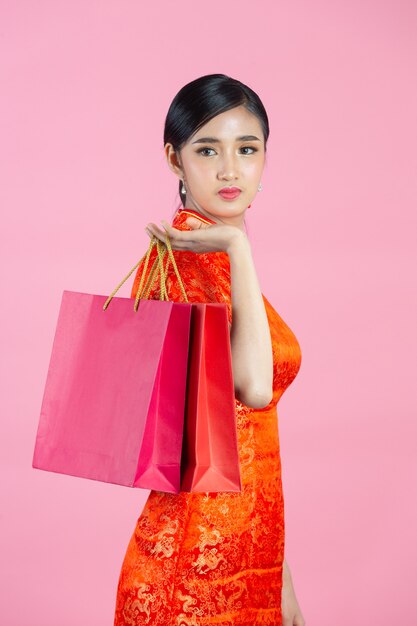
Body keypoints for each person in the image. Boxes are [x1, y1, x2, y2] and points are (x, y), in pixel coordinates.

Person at [113, 73, 305, 626]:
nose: (229, 169)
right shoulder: (177, 264)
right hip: (189, 575)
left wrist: (279, 577)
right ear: (175, 160)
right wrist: (239, 247)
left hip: (252, 558)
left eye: (247, 149)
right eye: (207, 149)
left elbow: (251, 450)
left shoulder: (222, 260)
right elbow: (254, 388)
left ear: (265, 158)